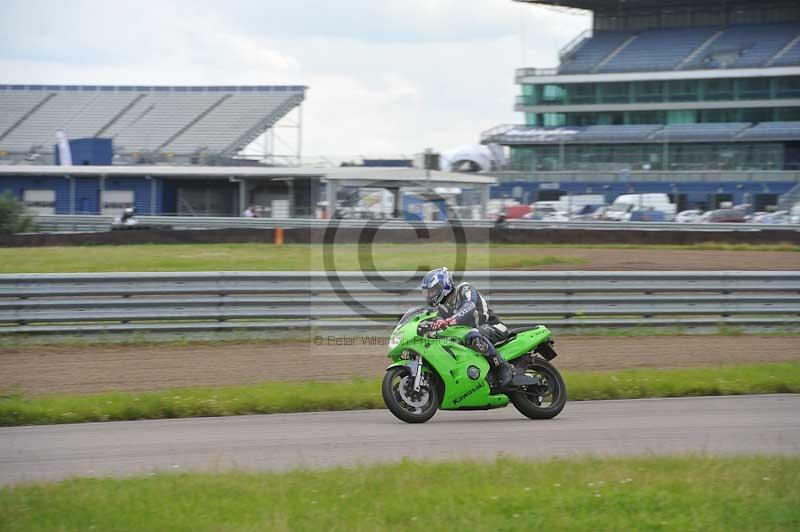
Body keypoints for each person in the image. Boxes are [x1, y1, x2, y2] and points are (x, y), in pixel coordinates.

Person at [421, 267, 514, 387]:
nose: (430, 295)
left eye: (432, 291)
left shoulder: (465, 289)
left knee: (472, 334)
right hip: (470, 333)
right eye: (428, 292)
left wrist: (452, 319)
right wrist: (432, 325)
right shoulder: (443, 306)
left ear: (442, 285)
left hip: (493, 327)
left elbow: (469, 306)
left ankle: (501, 366)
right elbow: (438, 318)